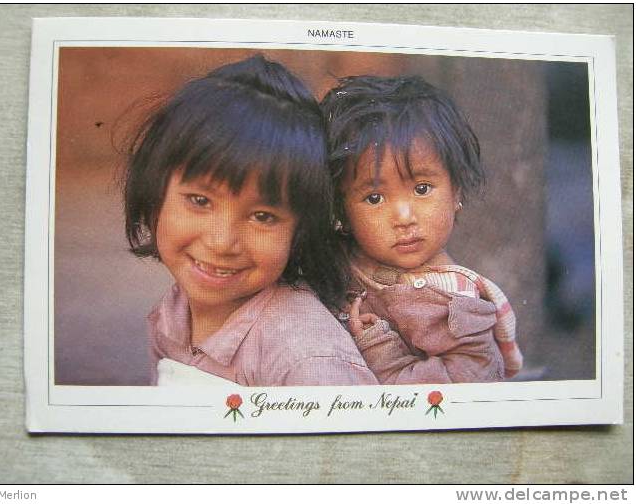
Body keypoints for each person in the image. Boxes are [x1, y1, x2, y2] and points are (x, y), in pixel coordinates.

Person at [124, 55, 378, 387]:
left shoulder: (307, 358)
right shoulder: (173, 312)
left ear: (301, 230)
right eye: (200, 201)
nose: (221, 242)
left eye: (262, 216)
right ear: (156, 192)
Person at [320, 74, 523, 384]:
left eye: (423, 188)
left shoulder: (452, 298)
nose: (404, 217)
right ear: (342, 210)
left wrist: (382, 353)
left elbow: (469, 384)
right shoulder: (341, 257)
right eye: (374, 198)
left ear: (456, 191)